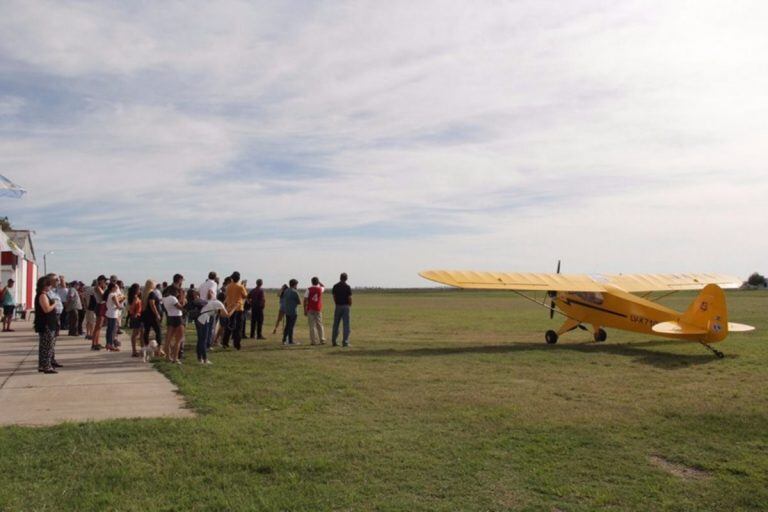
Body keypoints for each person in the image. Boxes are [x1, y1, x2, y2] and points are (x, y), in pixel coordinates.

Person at [34, 275, 59, 374]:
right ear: (45, 286)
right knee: (47, 346)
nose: (50, 287)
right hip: (46, 324)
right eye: (49, 285)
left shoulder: (42, 294)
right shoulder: (42, 295)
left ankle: (42, 365)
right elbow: (46, 309)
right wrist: (54, 304)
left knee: (45, 346)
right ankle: (47, 366)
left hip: (47, 323)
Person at [195, 297, 230, 364]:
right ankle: (205, 359)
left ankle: (199, 359)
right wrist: (235, 307)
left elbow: (221, 313)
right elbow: (227, 315)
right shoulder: (220, 304)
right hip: (204, 320)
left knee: (200, 340)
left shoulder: (214, 302)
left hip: (200, 319)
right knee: (203, 340)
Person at [162, 283, 186, 363]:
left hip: (170, 317)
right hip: (177, 318)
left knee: (168, 339)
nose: (178, 293)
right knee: (178, 340)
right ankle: (175, 358)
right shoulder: (173, 298)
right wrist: (183, 296)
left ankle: (168, 357)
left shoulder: (165, 298)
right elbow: (181, 307)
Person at [223, 272, 247, 350]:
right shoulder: (240, 286)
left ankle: (225, 342)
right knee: (238, 328)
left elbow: (227, 295)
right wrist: (244, 286)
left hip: (230, 308)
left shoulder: (228, 286)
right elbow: (245, 296)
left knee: (229, 326)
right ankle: (237, 344)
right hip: (238, 308)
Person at [141, 279, 164, 354]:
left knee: (146, 331)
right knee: (158, 331)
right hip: (153, 315)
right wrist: (157, 314)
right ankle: (159, 349)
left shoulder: (144, 293)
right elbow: (152, 304)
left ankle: (146, 346)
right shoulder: (152, 294)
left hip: (146, 315)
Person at [331, 273, 352, 347]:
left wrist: (336, 303)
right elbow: (349, 298)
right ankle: (345, 342)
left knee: (336, 324)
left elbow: (334, 296)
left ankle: (334, 341)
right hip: (346, 306)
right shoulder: (347, 287)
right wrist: (349, 304)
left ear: (340, 278)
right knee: (346, 325)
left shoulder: (335, 286)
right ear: (346, 278)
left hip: (338, 306)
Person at [303, 277, 325, 345]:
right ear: (317, 282)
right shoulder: (320, 289)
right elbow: (323, 286)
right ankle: (322, 339)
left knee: (312, 326)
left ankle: (313, 341)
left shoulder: (308, 289)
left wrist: (305, 309)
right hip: (318, 309)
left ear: (311, 282)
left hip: (310, 309)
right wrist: (319, 282)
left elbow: (305, 300)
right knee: (319, 324)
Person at [104, 282, 124, 351]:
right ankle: (111, 344)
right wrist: (121, 306)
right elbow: (118, 305)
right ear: (112, 288)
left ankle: (108, 344)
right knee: (112, 330)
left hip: (109, 313)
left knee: (109, 329)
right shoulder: (113, 295)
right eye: (115, 287)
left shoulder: (110, 294)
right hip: (113, 314)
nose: (117, 288)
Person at [282, 279, 302, 345]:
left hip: (287, 311)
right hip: (293, 311)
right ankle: (290, 340)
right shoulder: (295, 292)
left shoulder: (286, 291)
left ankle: (284, 339)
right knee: (291, 326)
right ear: (294, 284)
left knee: (287, 325)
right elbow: (300, 302)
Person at [91, 275, 107, 350]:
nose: (105, 282)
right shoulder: (97, 287)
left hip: (102, 306)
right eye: (104, 281)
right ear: (100, 280)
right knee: (97, 326)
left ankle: (97, 342)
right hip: (100, 305)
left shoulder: (101, 287)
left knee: (99, 326)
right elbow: (103, 296)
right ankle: (94, 344)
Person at [127, 283, 143, 357]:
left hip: (138, 316)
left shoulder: (135, 297)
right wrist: (135, 301)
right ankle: (134, 351)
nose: (140, 290)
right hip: (136, 316)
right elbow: (131, 309)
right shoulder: (135, 297)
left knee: (138, 333)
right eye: (139, 289)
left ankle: (138, 350)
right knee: (135, 334)